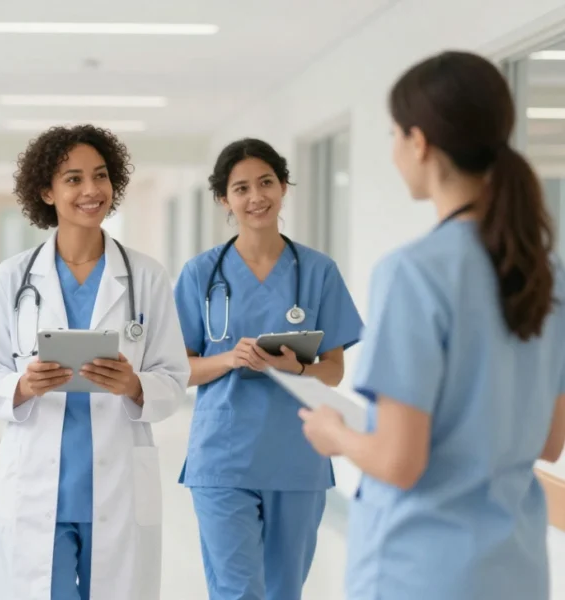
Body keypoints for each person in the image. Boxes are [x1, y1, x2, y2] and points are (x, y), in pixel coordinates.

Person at [299, 50, 565, 600]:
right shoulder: (549, 275)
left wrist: (337, 435)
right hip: (515, 571)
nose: (395, 151)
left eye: (396, 134)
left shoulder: (415, 273)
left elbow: (399, 462)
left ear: (419, 142)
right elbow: (550, 440)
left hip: (420, 572)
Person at [0, 124, 190, 600]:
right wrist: (23, 386)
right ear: (46, 191)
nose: (91, 191)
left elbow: (174, 375)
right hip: (37, 486)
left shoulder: (145, 276)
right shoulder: (11, 278)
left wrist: (135, 385)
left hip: (118, 484)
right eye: (73, 179)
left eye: (101, 176)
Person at [172, 138, 364, 600]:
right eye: (241, 188)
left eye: (266, 183)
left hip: (297, 456)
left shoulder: (318, 272)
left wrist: (295, 369)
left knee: (283, 592)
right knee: (238, 591)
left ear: (284, 188)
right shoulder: (201, 274)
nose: (255, 197)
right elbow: (178, 368)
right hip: (222, 457)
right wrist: (228, 359)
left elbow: (333, 370)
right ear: (224, 200)